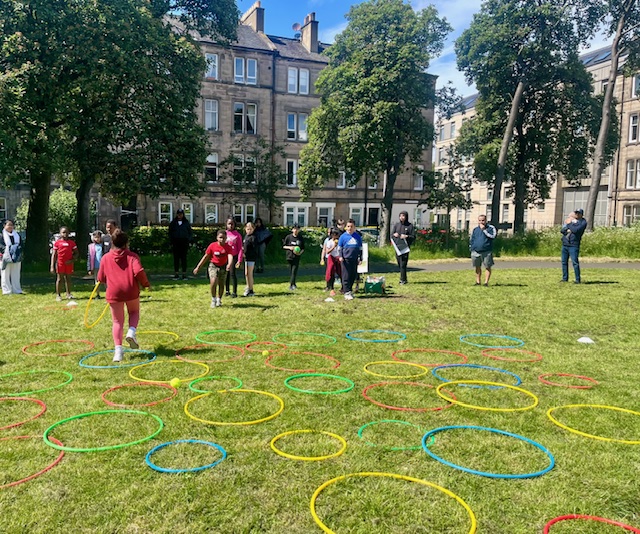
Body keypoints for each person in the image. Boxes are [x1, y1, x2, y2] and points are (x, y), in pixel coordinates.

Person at [97, 229, 151, 362]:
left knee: (117, 321)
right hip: (130, 290)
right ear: (126, 243)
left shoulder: (105, 258)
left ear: (112, 242)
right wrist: (146, 284)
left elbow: (100, 278)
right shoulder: (132, 256)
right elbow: (139, 271)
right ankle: (131, 332)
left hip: (114, 292)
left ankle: (118, 352)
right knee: (134, 312)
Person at [193, 229, 233, 308]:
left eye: (224, 238)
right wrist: (198, 267)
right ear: (217, 237)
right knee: (213, 281)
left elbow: (230, 255)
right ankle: (213, 299)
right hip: (213, 266)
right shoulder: (212, 246)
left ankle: (219, 299)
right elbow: (206, 257)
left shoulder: (228, 247)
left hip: (223, 266)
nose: (222, 240)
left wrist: (229, 264)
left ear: (226, 238)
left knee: (221, 284)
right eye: (220, 237)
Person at [50, 226, 79, 301]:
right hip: (60, 263)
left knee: (68, 278)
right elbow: (54, 255)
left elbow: (76, 253)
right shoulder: (57, 243)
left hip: (69, 263)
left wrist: (72, 260)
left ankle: (68, 294)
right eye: (63, 232)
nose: (65, 234)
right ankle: (58, 295)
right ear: (60, 233)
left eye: (66, 232)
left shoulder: (72, 243)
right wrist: (52, 266)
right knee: (59, 279)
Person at [337, 219, 363, 300]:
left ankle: (350, 290)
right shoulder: (343, 237)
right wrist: (340, 256)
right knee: (346, 276)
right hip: (345, 259)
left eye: (351, 226)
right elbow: (339, 248)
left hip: (354, 259)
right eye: (348, 226)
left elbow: (360, 248)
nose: (349, 228)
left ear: (354, 227)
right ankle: (346, 291)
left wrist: (360, 258)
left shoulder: (357, 237)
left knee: (352, 275)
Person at [560, 208, 587, 284]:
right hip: (565, 244)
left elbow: (576, 230)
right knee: (564, 262)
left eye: (578, 213)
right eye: (576, 213)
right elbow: (562, 230)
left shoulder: (583, 222)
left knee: (575, 262)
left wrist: (569, 224)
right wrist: (569, 228)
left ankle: (577, 279)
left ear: (581, 214)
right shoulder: (572, 221)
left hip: (573, 245)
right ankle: (565, 278)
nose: (577, 214)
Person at [470, 215, 497, 286]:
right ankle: (478, 281)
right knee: (477, 267)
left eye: (483, 220)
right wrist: (471, 247)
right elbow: (472, 239)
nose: (481, 222)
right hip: (476, 251)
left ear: (486, 221)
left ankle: (486, 282)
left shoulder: (490, 228)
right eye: (480, 220)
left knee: (487, 266)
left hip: (486, 251)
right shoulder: (475, 229)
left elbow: (493, 236)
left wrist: (484, 230)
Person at [392, 211, 415, 285]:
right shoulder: (397, 225)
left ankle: (403, 280)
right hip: (398, 248)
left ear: (406, 217)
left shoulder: (410, 226)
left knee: (403, 264)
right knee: (399, 263)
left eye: (403, 216)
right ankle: (404, 278)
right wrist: (394, 235)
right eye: (400, 216)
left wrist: (406, 236)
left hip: (405, 248)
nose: (401, 217)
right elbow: (391, 235)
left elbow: (413, 236)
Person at [168, 209, 193, 280]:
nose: (180, 215)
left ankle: (184, 274)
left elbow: (190, 232)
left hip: (184, 243)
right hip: (176, 243)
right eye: (178, 214)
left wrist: (188, 240)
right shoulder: (173, 223)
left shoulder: (186, 223)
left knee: (183, 258)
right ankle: (176, 273)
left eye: (181, 214)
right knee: (176, 258)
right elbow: (170, 232)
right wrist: (171, 240)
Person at [0, 219, 23, 295]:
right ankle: (6, 290)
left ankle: (17, 290)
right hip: (5, 256)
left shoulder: (17, 235)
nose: (10, 227)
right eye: (8, 225)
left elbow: (21, 244)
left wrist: (16, 250)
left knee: (16, 273)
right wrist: (8, 250)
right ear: (4, 226)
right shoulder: (1, 235)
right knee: (5, 274)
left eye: (12, 225)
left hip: (16, 256)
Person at [224, 217, 243, 298]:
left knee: (232, 273)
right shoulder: (224, 234)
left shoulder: (237, 235)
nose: (230, 226)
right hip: (225, 256)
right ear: (226, 224)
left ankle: (234, 292)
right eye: (229, 224)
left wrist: (239, 259)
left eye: (232, 224)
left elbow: (240, 248)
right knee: (226, 273)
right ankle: (227, 290)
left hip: (233, 256)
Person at [283, 223, 305, 291]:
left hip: (296, 257)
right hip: (289, 256)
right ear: (292, 230)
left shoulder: (300, 238)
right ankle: (293, 284)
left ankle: (291, 285)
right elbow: (284, 246)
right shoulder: (288, 237)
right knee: (291, 271)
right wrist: (290, 248)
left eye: (297, 229)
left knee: (294, 271)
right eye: (294, 229)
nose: (296, 230)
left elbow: (303, 248)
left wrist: (300, 253)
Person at [87, 230, 105, 299]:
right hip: (95, 266)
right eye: (95, 237)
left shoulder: (104, 245)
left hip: (104, 266)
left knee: (106, 280)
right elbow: (89, 257)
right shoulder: (91, 246)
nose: (97, 239)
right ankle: (97, 294)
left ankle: (108, 293)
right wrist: (89, 268)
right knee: (97, 281)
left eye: (98, 237)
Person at [242, 222, 257, 296]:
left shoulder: (253, 237)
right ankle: (248, 286)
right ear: (245, 229)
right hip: (246, 258)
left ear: (253, 229)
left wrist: (247, 253)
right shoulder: (246, 237)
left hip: (251, 257)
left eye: (250, 229)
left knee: (249, 273)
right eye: (248, 229)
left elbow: (254, 249)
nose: (249, 230)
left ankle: (251, 290)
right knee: (246, 273)